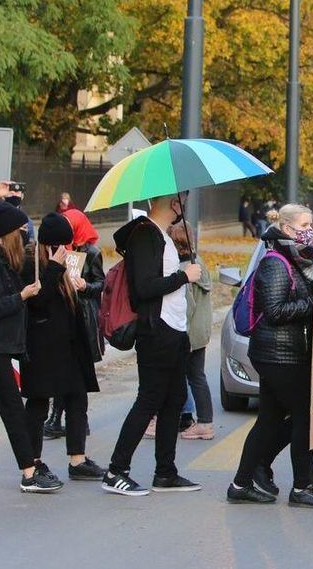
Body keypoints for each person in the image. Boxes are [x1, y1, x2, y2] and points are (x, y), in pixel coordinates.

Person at [228, 204, 313, 508]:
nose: (308, 230)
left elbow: (300, 299)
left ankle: (241, 484)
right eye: (304, 225)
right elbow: (275, 312)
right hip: (277, 354)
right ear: (287, 229)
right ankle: (301, 488)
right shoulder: (275, 262)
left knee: (268, 420)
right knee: (304, 418)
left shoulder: (296, 259)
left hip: (285, 352)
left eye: (310, 224)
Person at [103, 193, 203, 497]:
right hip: (155, 330)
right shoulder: (144, 234)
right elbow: (143, 288)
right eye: (181, 199)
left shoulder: (163, 235)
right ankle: (116, 471)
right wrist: (183, 276)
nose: (184, 205)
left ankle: (165, 472)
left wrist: (181, 273)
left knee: (175, 399)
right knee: (148, 400)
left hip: (174, 330)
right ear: (171, 202)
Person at [0, 202, 61, 492]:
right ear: (10, 234)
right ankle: (29, 473)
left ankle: (29, 470)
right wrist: (21, 296)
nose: (26, 236)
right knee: (13, 410)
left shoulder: (3, 263)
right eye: (22, 231)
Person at [20, 213, 106, 482]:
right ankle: (33, 461)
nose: (65, 250)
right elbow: (37, 301)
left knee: (77, 396)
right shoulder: (29, 263)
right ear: (48, 244)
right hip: (41, 345)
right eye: (60, 245)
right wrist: (55, 267)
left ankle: (77, 460)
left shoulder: (67, 259)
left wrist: (79, 284)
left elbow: (70, 301)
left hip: (68, 344)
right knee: (38, 402)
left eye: (67, 246)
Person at [45, 209, 105, 440]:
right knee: (64, 370)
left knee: (78, 373)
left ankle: (76, 420)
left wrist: (85, 287)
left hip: (84, 317)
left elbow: (101, 283)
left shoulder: (92, 252)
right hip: (64, 315)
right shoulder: (60, 251)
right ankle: (57, 418)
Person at [167, 224, 215, 440]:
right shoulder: (199, 263)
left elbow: (186, 305)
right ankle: (204, 421)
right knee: (197, 376)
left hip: (187, 332)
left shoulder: (185, 270)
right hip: (201, 330)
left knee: (184, 376)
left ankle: (194, 421)